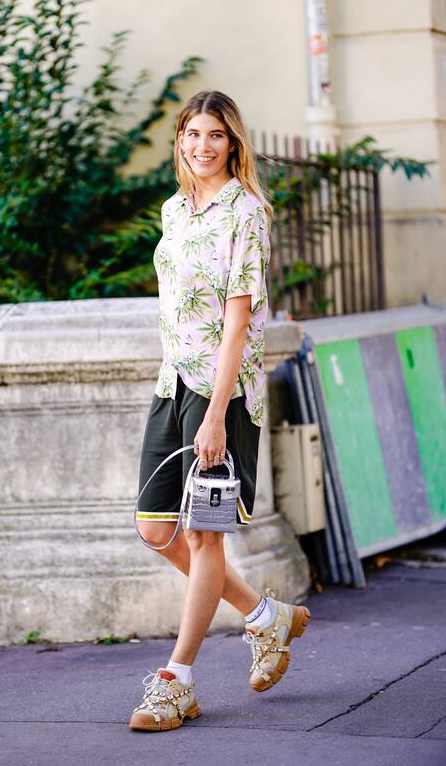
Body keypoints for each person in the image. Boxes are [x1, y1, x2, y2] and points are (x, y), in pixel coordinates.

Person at [129, 90, 310, 732]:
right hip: (173, 383)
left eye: (215, 135)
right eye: (192, 134)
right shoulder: (174, 210)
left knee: (204, 535)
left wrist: (214, 414)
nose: (202, 146)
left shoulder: (247, 212)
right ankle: (265, 617)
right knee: (157, 528)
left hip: (222, 394)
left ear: (233, 144)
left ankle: (176, 681)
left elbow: (238, 322)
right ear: (180, 140)